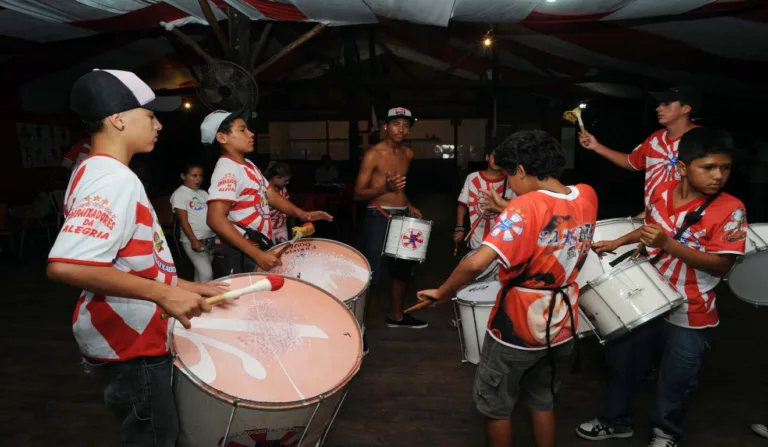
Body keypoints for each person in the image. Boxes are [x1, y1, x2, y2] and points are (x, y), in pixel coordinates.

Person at [46, 69, 227, 447]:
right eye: (149, 115)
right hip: (131, 344)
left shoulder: (93, 171)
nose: (158, 125)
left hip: (131, 337)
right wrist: (165, 296)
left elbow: (130, 261)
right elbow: (68, 264)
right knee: (155, 437)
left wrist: (185, 285)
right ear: (118, 119)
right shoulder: (113, 178)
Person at [418, 130, 598, 447]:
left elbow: (475, 264)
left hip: (518, 327)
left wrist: (442, 293)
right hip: (562, 324)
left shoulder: (525, 205)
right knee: (542, 400)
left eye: (508, 175)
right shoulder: (586, 194)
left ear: (522, 171)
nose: (509, 185)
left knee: (497, 406)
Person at [575, 127, 747, 447]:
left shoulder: (731, 209)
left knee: (677, 378)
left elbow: (722, 265)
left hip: (692, 306)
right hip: (648, 294)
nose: (718, 176)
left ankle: (667, 432)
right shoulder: (662, 191)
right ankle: (616, 421)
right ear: (682, 168)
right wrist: (618, 240)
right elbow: (651, 228)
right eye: (708, 167)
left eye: (725, 168)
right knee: (623, 363)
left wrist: (668, 244)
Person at [203, 109, 332, 273]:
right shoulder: (227, 170)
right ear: (222, 137)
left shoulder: (247, 164)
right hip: (239, 254)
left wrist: (302, 214)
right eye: (242, 130)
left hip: (254, 249)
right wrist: (257, 255)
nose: (251, 134)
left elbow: (270, 194)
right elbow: (215, 219)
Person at [354, 107, 426, 337]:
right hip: (379, 215)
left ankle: (396, 316)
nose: (401, 129)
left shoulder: (408, 154)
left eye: (405, 125)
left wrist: (409, 204)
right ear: (385, 125)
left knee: (402, 268)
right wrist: (385, 188)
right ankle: (357, 324)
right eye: (396, 124)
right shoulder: (373, 154)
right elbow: (358, 193)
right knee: (373, 271)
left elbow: (399, 188)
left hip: (402, 214)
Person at [579, 86, 701, 216]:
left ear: (686, 109)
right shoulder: (655, 139)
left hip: (688, 218)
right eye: (659, 104)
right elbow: (631, 162)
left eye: (666, 104)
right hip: (654, 217)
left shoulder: (701, 139)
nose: (658, 108)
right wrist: (596, 146)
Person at [455, 148, 516, 249]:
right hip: (476, 240)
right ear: (487, 157)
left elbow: (517, 210)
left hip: (502, 241)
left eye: (500, 158)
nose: (497, 161)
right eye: (494, 156)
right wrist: (459, 228)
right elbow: (462, 205)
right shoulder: (472, 177)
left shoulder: (512, 182)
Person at [171, 162, 216, 282]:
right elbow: (183, 221)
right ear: (183, 176)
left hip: (210, 238)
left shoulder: (203, 193)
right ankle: (208, 300)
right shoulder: (180, 194)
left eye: (200, 176)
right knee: (207, 274)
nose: (198, 179)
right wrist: (193, 240)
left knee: (200, 274)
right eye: (194, 176)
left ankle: (197, 298)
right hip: (194, 239)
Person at [265, 161, 292, 244]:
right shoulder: (265, 191)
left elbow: (288, 207)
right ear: (276, 178)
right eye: (285, 180)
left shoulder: (283, 190)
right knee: (272, 251)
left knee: (285, 250)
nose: (287, 183)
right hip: (269, 228)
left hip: (282, 226)